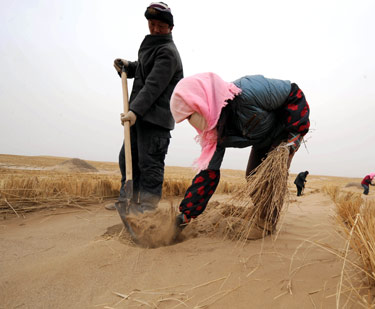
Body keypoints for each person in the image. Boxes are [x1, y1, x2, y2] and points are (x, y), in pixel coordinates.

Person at [169, 72, 310, 233]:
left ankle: (265, 225)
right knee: (252, 177)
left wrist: (295, 133)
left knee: (269, 175)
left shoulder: (249, 91)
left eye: (189, 116)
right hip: (262, 141)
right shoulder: (213, 134)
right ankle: (264, 213)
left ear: (201, 102)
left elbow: (293, 93)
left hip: (284, 132)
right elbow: (208, 174)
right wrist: (186, 214)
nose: (191, 122)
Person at [106, 2, 183, 212]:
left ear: (170, 28)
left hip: (155, 119)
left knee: (150, 164)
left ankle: (147, 207)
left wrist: (134, 111)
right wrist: (128, 67)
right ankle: (127, 200)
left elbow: (153, 85)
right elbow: (143, 69)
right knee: (128, 159)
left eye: (161, 26)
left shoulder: (168, 52)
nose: (156, 29)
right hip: (139, 116)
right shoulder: (153, 46)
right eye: (152, 24)